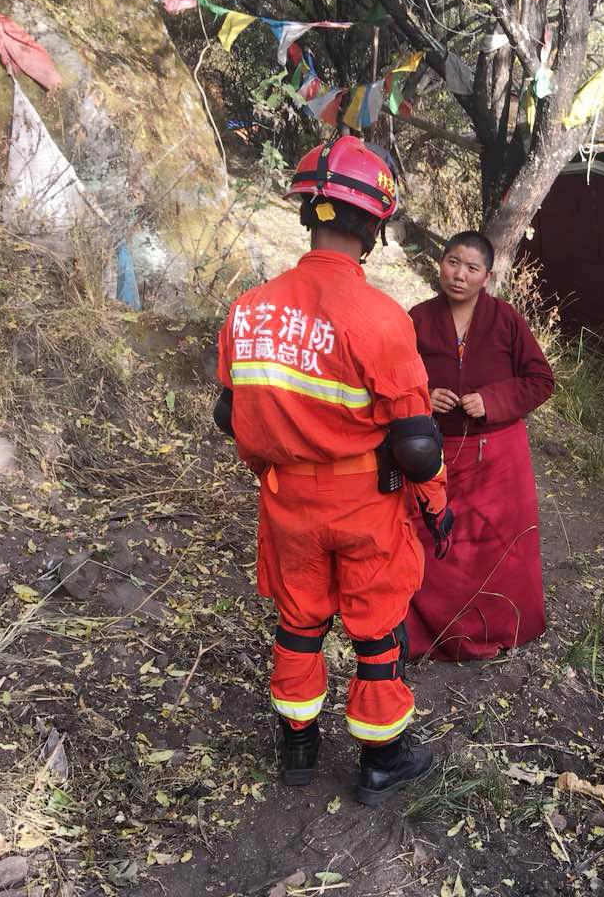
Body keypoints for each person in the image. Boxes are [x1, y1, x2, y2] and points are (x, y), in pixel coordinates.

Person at [213, 135, 452, 806]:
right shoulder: (379, 317)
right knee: (376, 628)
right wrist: (436, 503)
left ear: (304, 214)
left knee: (299, 622)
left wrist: (277, 466)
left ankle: (297, 747)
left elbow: (228, 415)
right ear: (373, 226)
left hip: (285, 500)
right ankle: (383, 760)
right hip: (363, 503)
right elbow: (417, 446)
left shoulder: (247, 309)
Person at [405, 231, 555, 661]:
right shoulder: (416, 319)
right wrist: (423, 397)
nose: (459, 275)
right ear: (441, 263)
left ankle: (500, 626)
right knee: (434, 539)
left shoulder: (505, 319)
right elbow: (395, 381)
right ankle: (432, 631)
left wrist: (492, 400)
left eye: (472, 268)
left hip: (498, 455)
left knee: (498, 545)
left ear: (486, 276)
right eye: (453, 262)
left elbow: (541, 381)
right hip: (434, 450)